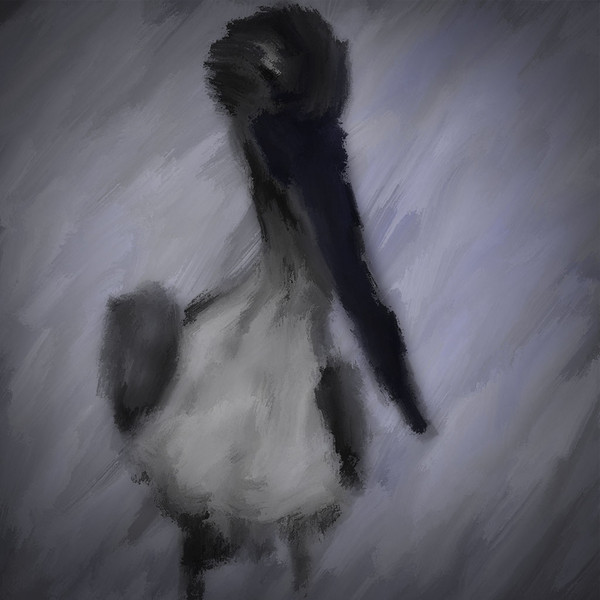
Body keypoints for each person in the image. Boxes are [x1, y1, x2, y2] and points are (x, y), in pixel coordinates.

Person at [99, 5, 427, 599]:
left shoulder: (298, 141)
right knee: (266, 449)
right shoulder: (295, 141)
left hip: (277, 348)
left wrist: (402, 394)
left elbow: (348, 277)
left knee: (280, 435)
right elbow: (351, 281)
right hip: (267, 343)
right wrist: (405, 399)